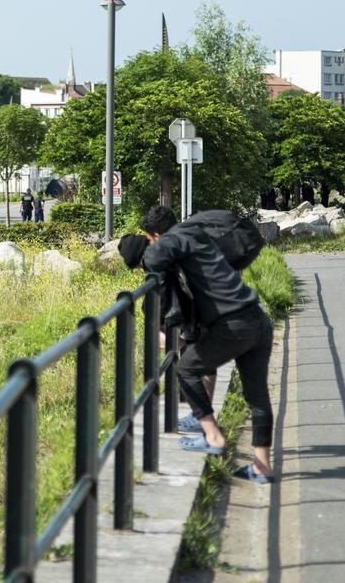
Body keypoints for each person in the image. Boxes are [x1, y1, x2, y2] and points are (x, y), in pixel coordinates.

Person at [121, 207, 275, 484]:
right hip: (257, 319)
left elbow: (154, 258)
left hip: (233, 325)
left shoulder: (171, 240)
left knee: (186, 369)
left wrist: (149, 261)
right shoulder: (196, 237)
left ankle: (213, 436)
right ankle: (263, 467)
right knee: (257, 396)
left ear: (156, 236)